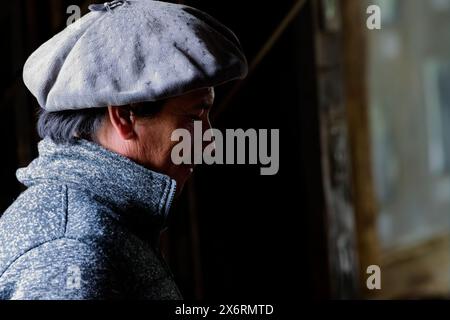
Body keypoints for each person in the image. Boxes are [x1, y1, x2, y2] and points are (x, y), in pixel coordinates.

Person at [0, 0, 247, 300]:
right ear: (125, 117)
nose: (208, 140)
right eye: (195, 117)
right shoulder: (70, 250)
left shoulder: (102, 219)